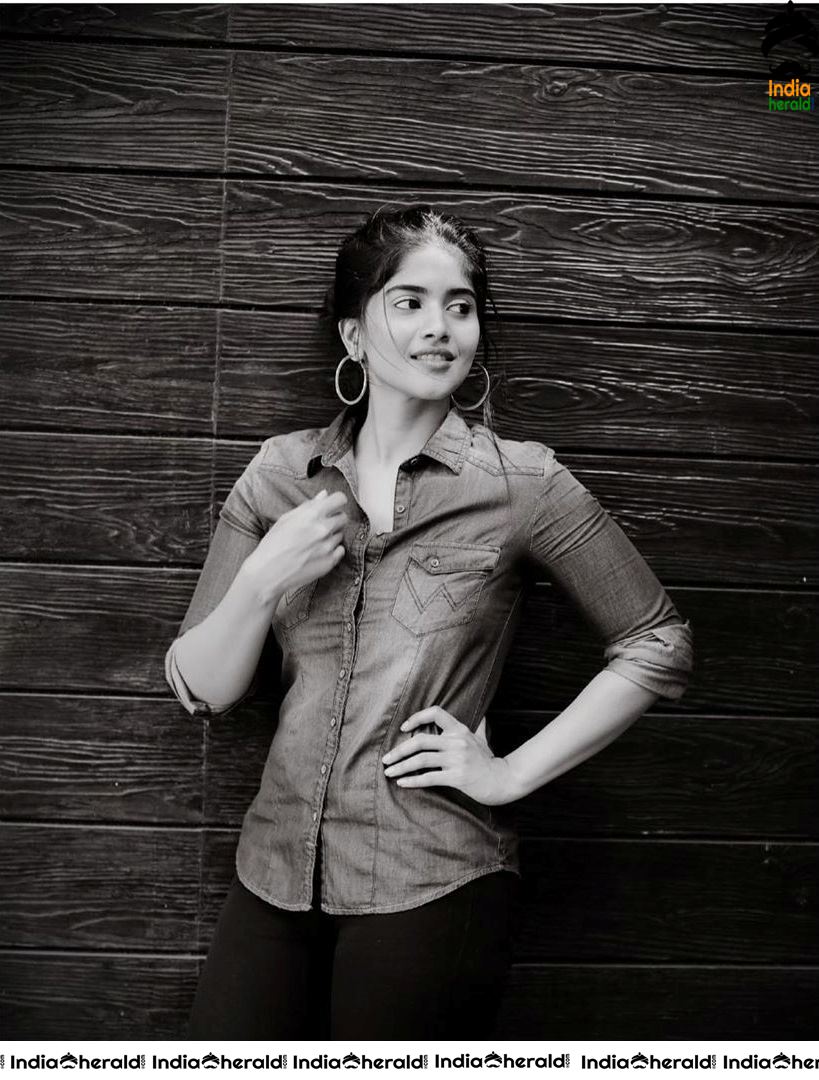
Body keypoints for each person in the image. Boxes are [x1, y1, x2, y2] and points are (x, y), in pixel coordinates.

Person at [165, 204, 694, 1040]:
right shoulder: (278, 476)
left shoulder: (520, 484)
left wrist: (508, 774)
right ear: (353, 335)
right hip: (272, 869)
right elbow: (203, 689)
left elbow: (656, 641)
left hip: (432, 878)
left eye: (460, 306)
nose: (439, 327)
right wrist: (261, 582)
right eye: (408, 302)